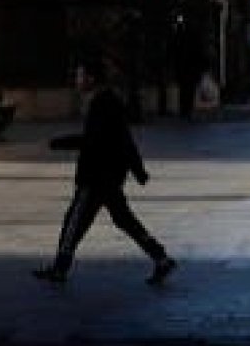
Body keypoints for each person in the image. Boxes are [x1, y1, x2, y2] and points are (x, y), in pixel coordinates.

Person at [33, 56, 177, 286]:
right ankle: (161, 257)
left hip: (96, 176)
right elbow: (125, 139)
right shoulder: (109, 101)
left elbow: (94, 141)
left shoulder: (102, 103)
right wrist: (137, 170)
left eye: (80, 75)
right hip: (111, 176)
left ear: (91, 78)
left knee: (74, 221)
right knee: (123, 220)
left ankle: (60, 269)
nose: (77, 80)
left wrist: (57, 143)